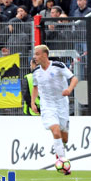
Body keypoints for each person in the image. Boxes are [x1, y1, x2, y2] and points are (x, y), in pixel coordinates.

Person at [29, 44, 77, 174]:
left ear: (45, 55)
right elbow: (35, 87)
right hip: (47, 105)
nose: (35, 57)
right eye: (35, 54)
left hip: (62, 104)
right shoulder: (36, 72)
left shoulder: (58, 66)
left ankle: (59, 152)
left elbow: (74, 79)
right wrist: (33, 103)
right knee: (55, 131)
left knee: (64, 138)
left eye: (37, 54)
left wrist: (69, 89)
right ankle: (63, 163)